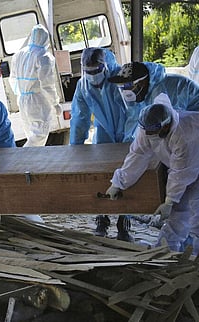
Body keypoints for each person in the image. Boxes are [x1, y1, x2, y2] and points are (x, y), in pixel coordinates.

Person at [105, 101, 199, 259]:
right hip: (187, 163)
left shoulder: (189, 132)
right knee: (177, 211)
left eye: (153, 131)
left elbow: (182, 172)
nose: (149, 135)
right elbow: (137, 155)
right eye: (147, 131)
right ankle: (165, 252)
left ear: (166, 125)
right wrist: (119, 182)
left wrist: (170, 200)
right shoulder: (147, 128)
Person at [70, 47, 133, 241]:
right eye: (88, 72)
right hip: (104, 133)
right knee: (101, 176)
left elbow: (134, 108)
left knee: (127, 176)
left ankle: (124, 223)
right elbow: (79, 120)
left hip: (127, 131)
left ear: (105, 66)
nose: (93, 76)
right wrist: (76, 150)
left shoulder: (120, 78)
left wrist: (133, 136)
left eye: (96, 71)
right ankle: (102, 218)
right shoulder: (83, 86)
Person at [108, 61, 199, 142]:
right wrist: (127, 143)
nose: (125, 91)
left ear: (141, 82)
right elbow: (134, 120)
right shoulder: (144, 92)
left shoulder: (166, 91)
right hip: (190, 124)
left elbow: (170, 126)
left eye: (128, 85)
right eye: (121, 87)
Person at [9, 24, 61, 147]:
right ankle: (23, 158)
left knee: (30, 134)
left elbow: (13, 79)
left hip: (22, 99)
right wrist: (55, 103)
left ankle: (33, 164)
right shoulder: (44, 56)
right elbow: (47, 85)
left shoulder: (19, 54)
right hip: (38, 101)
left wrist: (22, 93)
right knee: (39, 134)